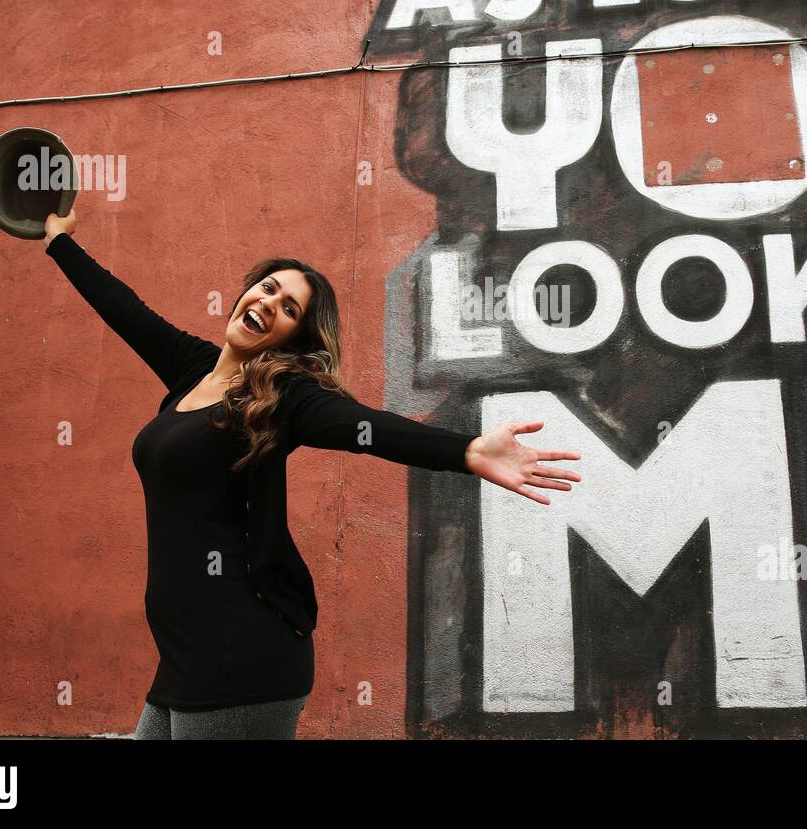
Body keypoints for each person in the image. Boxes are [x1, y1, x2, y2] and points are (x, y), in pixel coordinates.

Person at [39, 205, 581, 739]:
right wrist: (60, 242)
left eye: (291, 308)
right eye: (268, 288)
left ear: (294, 340)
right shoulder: (191, 369)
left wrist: (466, 450)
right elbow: (122, 307)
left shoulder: (282, 397)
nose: (270, 303)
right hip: (183, 658)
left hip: (242, 659)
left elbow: (365, 427)